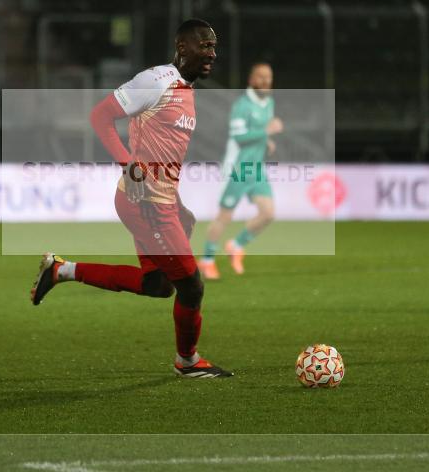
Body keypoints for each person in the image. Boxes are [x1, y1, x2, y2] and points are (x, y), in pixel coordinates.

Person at [30, 19, 233, 379]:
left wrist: (177, 201)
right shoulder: (156, 81)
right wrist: (129, 166)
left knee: (158, 285)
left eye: (214, 47)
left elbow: (164, 156)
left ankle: (61, 270)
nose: (212, 53)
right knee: (191, 285)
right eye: (205, 45)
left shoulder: (185, 91)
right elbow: (100, 117)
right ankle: (187, 362)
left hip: (160, 201)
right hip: (145, 204)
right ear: (182, 47)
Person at [198, 62, 283, 280]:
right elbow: (239, 137)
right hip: (238, 167)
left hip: (256, 168)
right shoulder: (242, 106)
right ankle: (207, 260)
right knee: (224, 217)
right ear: (252, 80)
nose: (266, 81)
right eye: (261, 77)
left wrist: (268, 142)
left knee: (268, 213)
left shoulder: (268, 103)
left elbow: (260, 135)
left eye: (269, 77)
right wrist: (265, 132)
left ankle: (236, 245)